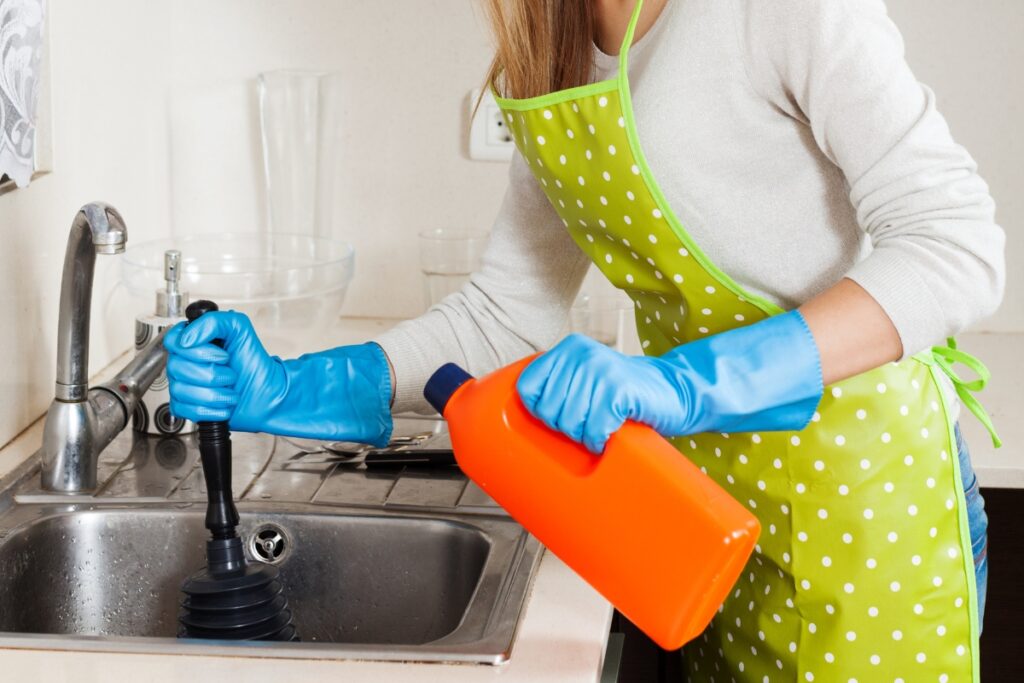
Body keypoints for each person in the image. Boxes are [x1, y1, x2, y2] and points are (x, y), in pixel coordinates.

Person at [165, 0, 1004, 679]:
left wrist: (685, 383)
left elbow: (954, 245)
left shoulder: (779, 11)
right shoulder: (550, 41)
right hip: (699, 519)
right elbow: (506, 313)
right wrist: (291, 386)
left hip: (864, 511)